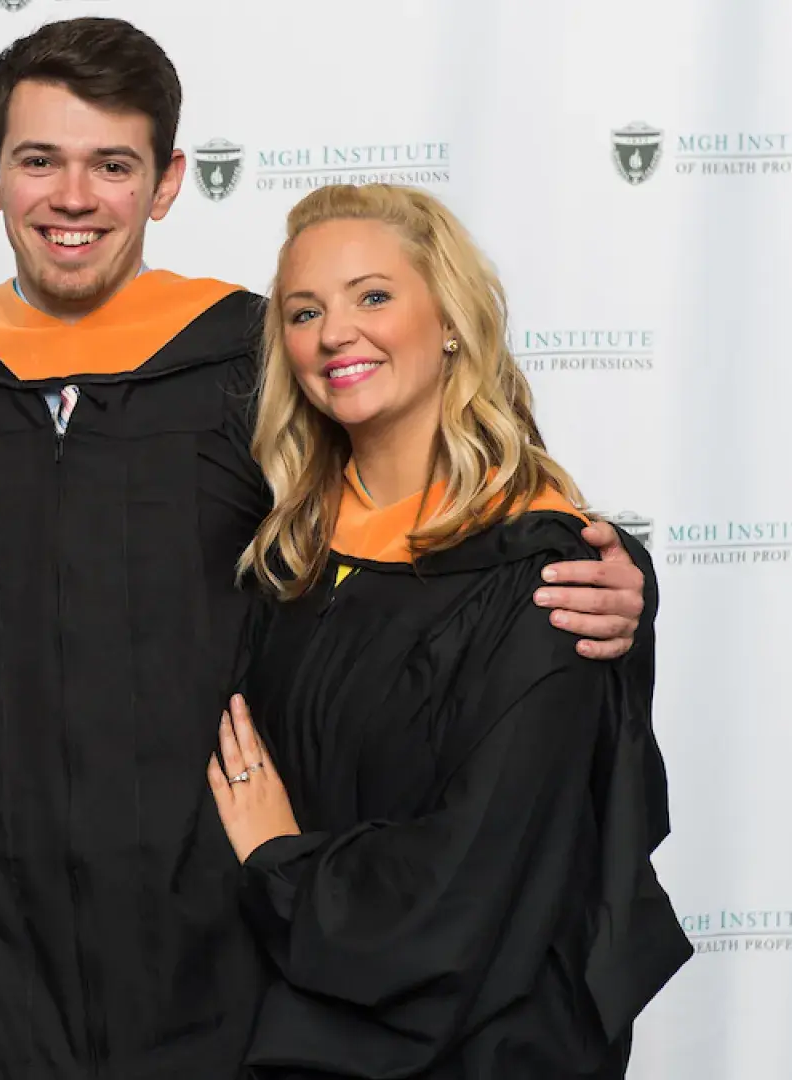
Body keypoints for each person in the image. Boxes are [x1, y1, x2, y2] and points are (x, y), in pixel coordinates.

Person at [0, 17, 658, 1078]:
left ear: (167, 182)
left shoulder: (252, 359)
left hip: (220, 936)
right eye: (38, 160)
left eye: (112, 164)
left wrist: (619, 572)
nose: (73, 197)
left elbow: (440, 510)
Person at [206, 182, 689, 1077]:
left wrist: (280, 863)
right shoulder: (292, 556)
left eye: (374, 296)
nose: (334, 332)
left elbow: (475, 879)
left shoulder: (548, 576)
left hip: (480, 1045)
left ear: (452, 321)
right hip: (289, 1026)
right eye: (304, 311)